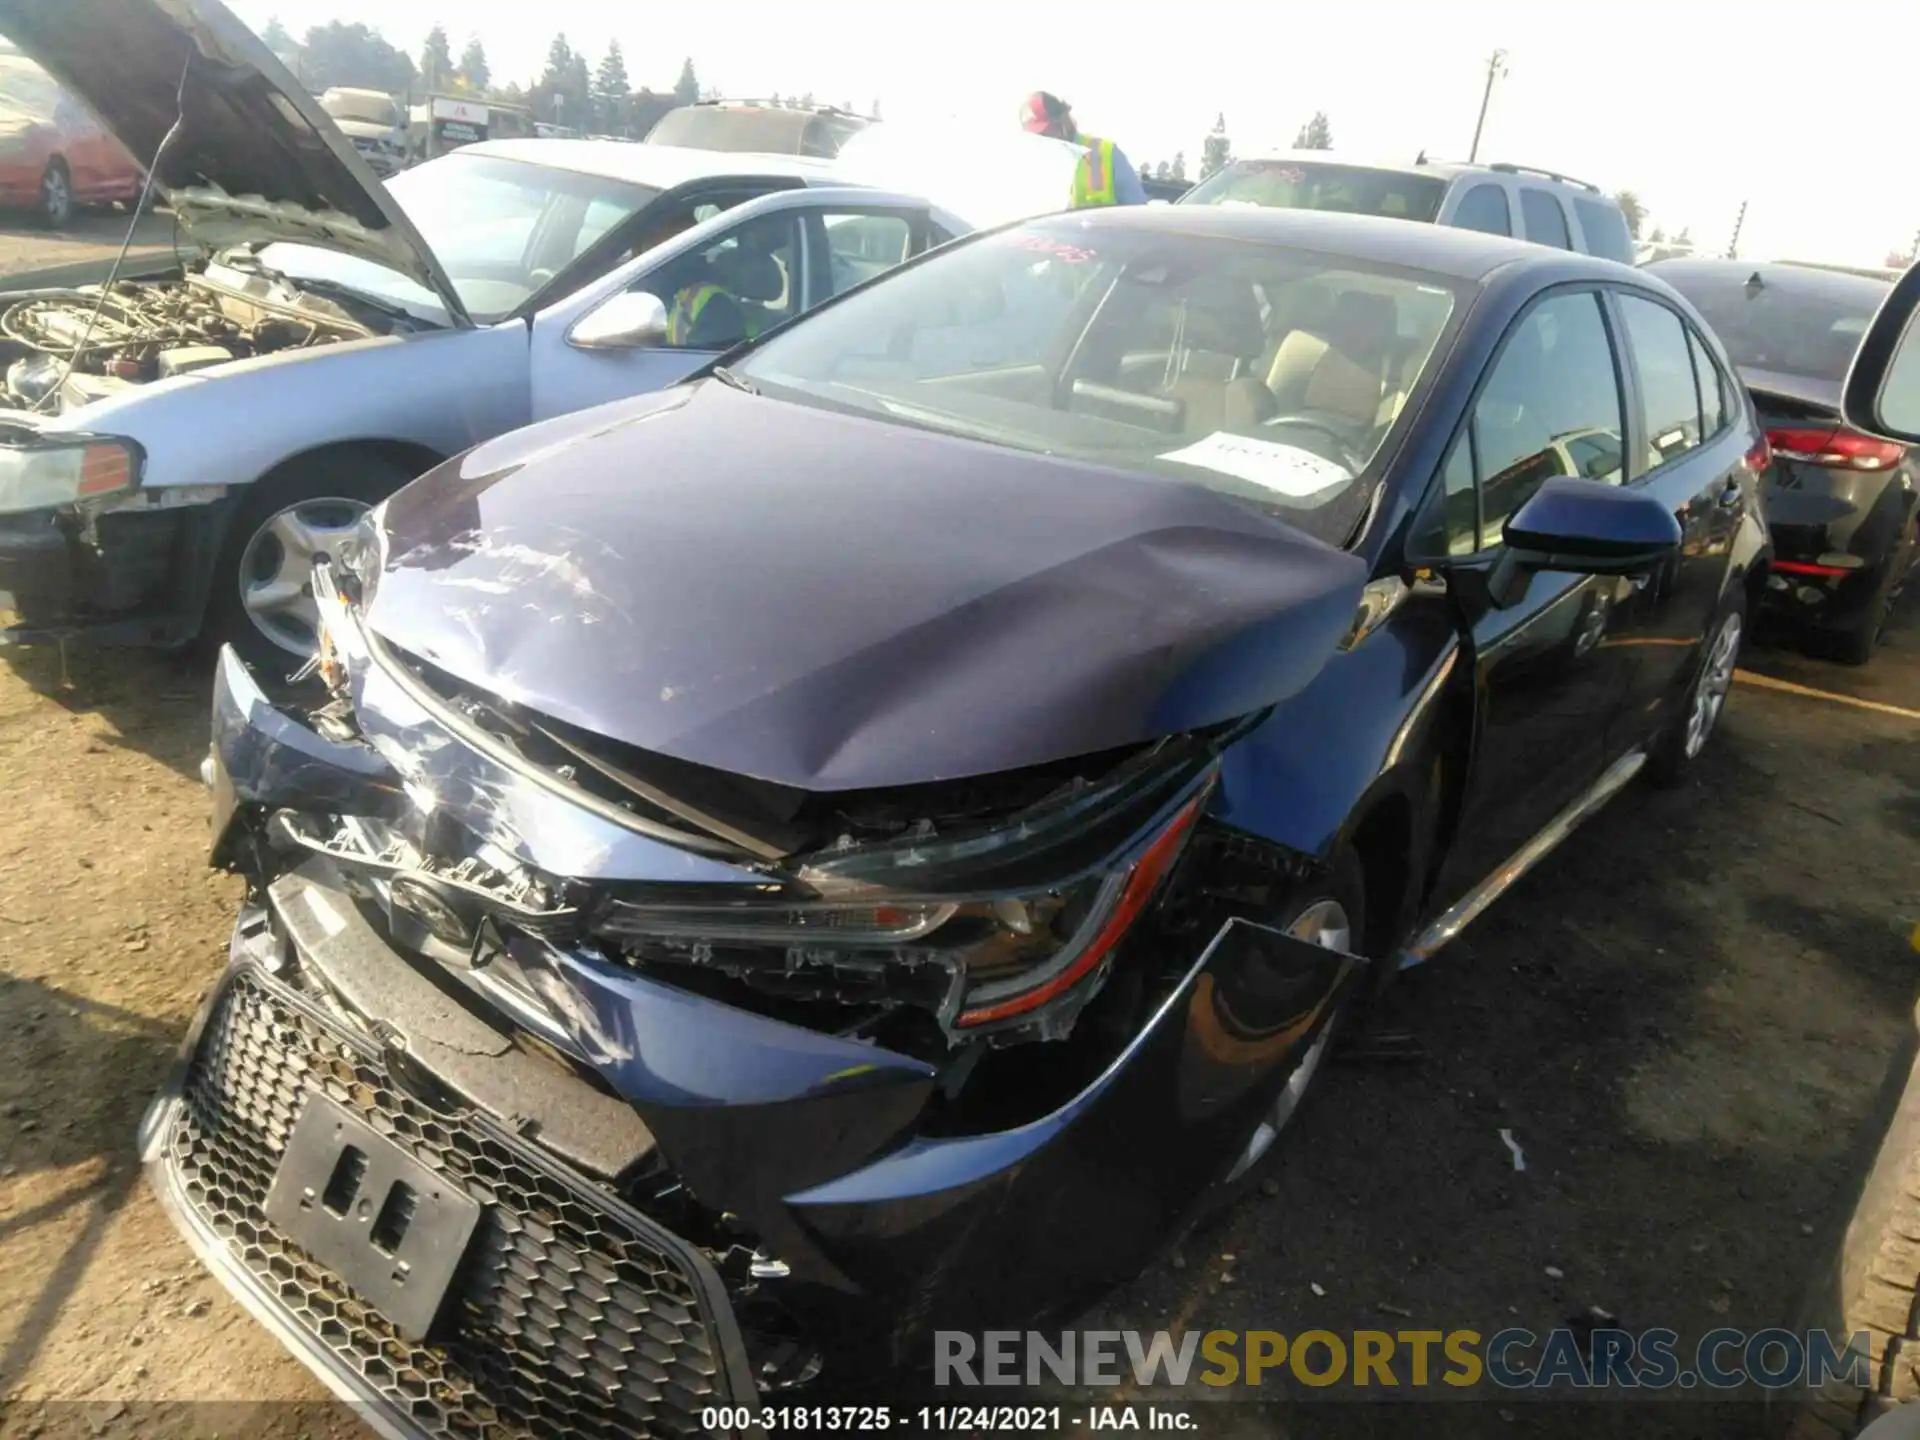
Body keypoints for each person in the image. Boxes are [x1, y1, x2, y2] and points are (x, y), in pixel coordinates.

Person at [1020, 91, 1147, 210]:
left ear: (1062, 120)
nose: (1041, 139)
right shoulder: (1028, 170)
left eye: (1044, 132)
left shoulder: (1105, 153)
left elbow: (1138, 215)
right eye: (1035, 135)